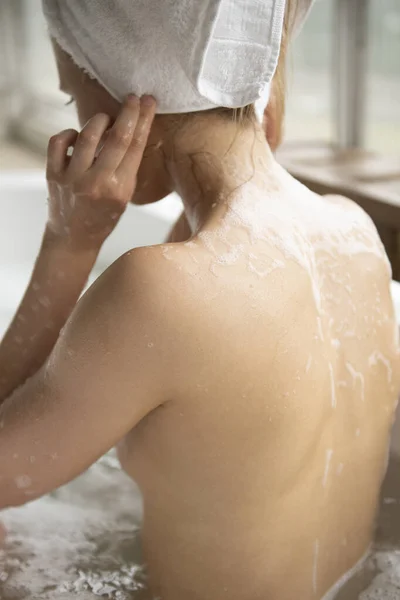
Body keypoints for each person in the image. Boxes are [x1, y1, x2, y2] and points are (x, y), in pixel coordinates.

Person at [0, 1, 399, 598]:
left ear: (119, 95)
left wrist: (67, 245)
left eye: (70, 97)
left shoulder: (159, 293)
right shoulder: (353, 232)